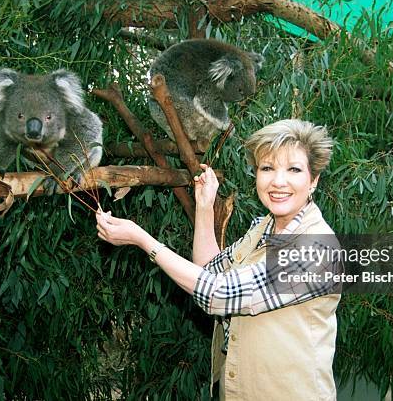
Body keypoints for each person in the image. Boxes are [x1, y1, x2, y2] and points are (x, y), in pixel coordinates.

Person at [96, 119, 342, 400]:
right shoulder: (264, 228)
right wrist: (204, 205)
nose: (278, 181)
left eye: (294, 170)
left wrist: (144, 241)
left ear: (314, 180)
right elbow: (209, 271)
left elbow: (219, 294)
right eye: (267, 168)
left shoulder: (316, 248)